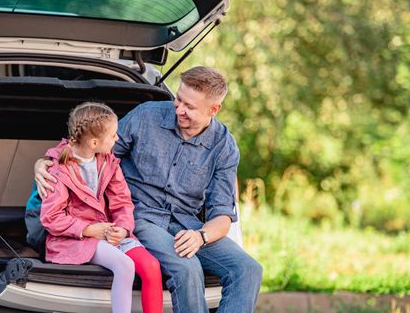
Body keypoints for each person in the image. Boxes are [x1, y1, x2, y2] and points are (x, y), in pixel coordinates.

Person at [35, 67, 263, 313]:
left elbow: (222, 215)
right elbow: (95, 146)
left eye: (190, 106)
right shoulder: (146, 116)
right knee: (187, 267)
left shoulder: (225, 146)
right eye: (178, 99)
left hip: (190, 226)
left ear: (213, 110)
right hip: (140, 216)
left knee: (249, 269)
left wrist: (201, 236)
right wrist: (47, 160)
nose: (179, 109)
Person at [39, 102, 163, 313]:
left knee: (152, 267)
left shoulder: (109, 162)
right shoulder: (58, 169)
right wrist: (88, 229)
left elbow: (122, 201)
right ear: (94, 142)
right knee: (125, 265)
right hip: (73, 239)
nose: (117, 139)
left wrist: (123, 229)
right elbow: (50, 217)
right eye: (113, 135)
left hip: (108, 232)